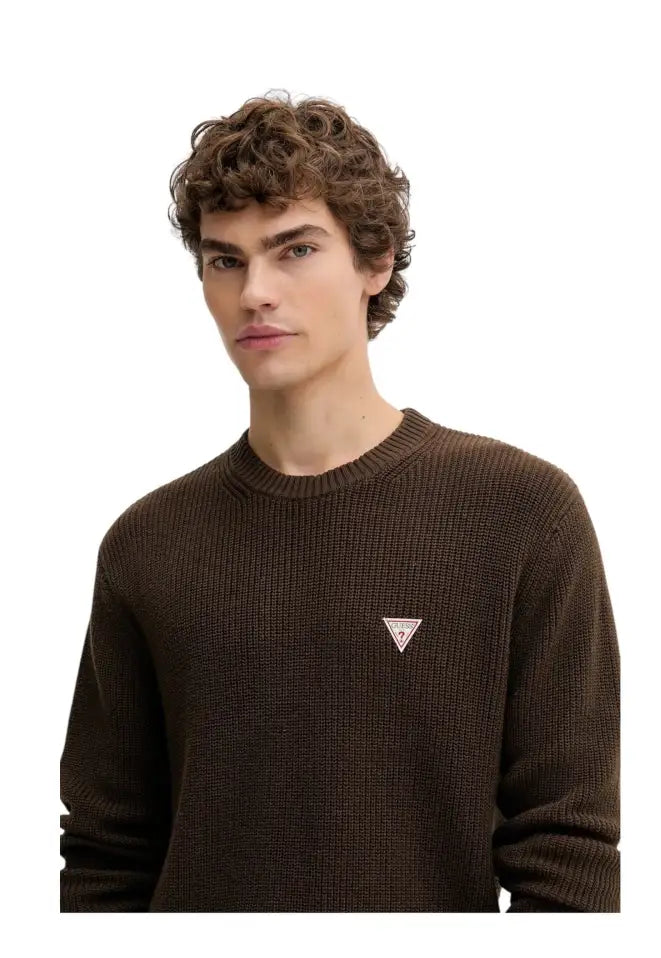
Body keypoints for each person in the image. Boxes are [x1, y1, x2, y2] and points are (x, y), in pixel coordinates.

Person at [59, 89, 620, 912]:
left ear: (375, 261)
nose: (255, 291)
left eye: (294, 250)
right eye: (225, 260)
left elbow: (568, 851)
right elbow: (106, 855)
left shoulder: (519, 514)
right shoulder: (148, 544)